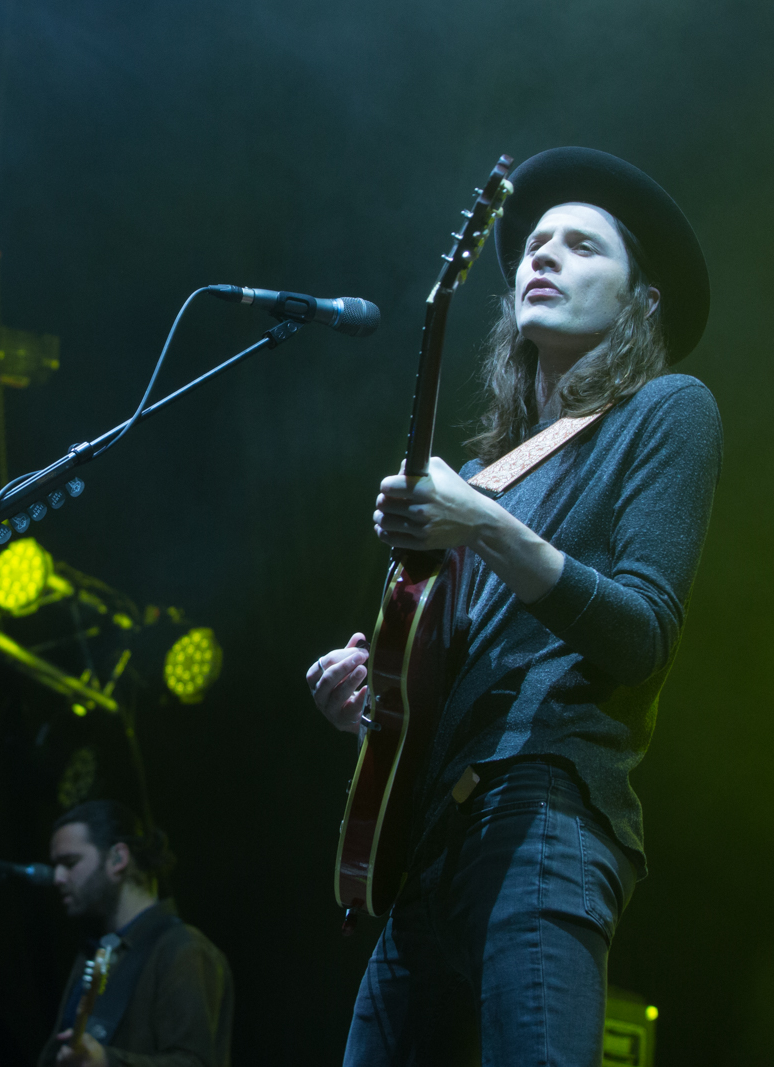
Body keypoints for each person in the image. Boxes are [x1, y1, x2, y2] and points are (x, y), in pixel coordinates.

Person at [304, 147, 721, 1064]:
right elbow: (441, 687)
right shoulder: (489, 474)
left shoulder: (669, 409)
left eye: (582, 245)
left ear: (643, 299)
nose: (544, 254)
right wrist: (374, 702)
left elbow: (644, 635)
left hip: (546, 818)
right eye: (535, 243)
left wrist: (485, 525)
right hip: (428, 847)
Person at [38, 800, 233, 1067]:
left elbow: (194, 1062)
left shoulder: (183, 948)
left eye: (70, 862)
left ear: (118, 857)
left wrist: (107, 1061)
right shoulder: (93, 952)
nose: (57, 877)